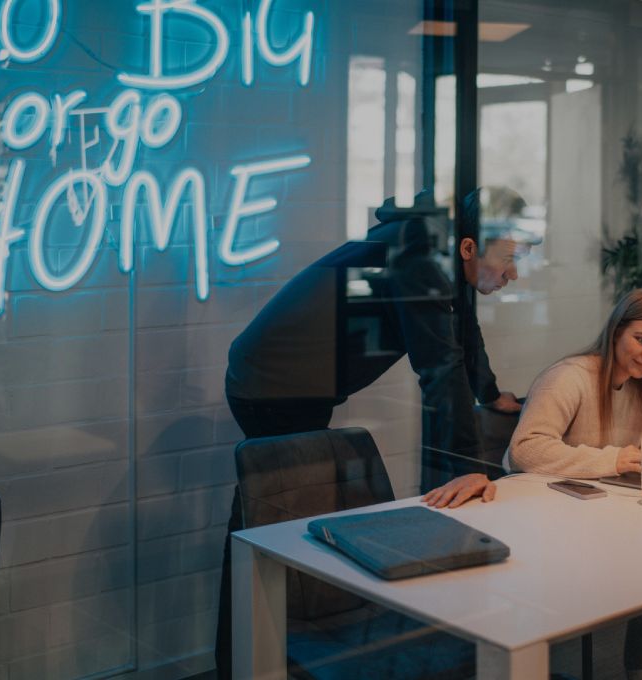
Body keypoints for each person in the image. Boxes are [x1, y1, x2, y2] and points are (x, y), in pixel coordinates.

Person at [216, 187, 535, 678]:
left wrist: (490, 393)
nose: (514, 274)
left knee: (275, 527)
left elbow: (461, 332)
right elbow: (439, 366)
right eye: (510, 260)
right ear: (469, 248)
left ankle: (260, 657)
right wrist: (470, 469)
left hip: (291, 383)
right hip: (272, 385)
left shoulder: (435, 251)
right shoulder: (419, 258)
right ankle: (248, 660)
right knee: (268, 527)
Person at [431, 289, 642, 677]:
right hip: (549, 525)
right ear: (616, 331)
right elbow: (525, 451)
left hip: (599, 516)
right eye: (641, 340)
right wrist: (611, 458)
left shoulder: (641, 386)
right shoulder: (570, 376)